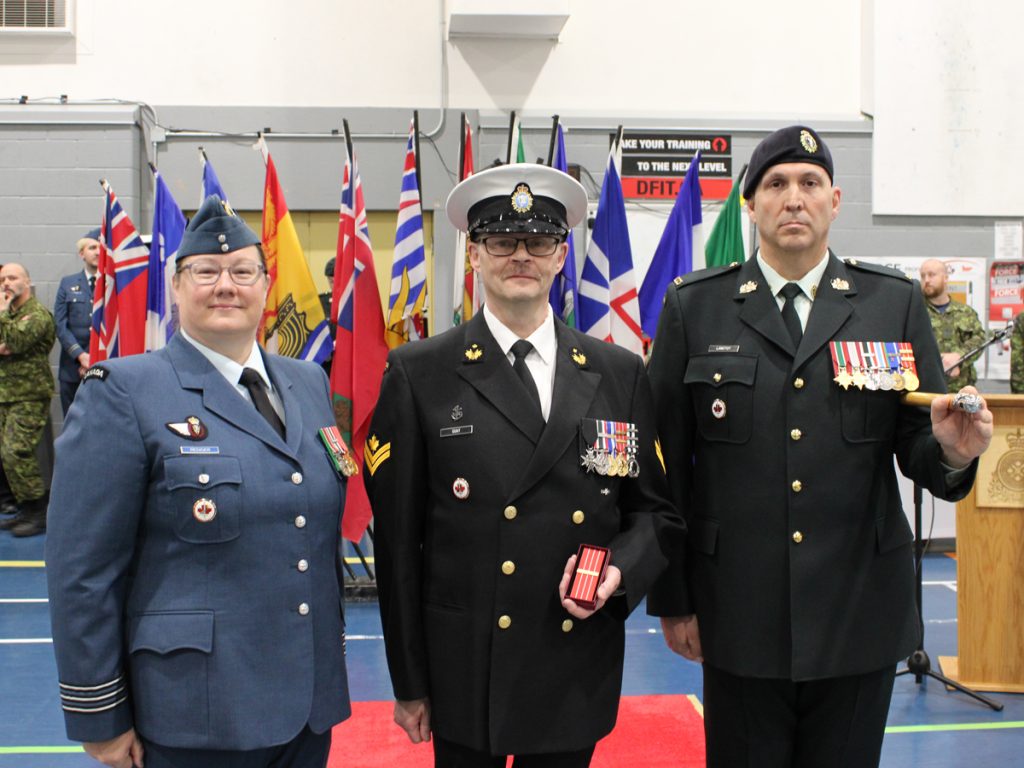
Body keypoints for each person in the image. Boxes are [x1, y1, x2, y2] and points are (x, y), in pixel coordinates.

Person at [646, 125, 993, 768]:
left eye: (810, 183)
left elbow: (920, 447)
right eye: (775, 184)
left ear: (835, 200)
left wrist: (953, 452)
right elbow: (665, 467)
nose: (794, 197)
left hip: (858, 607)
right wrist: (675, 598)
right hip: (737, 608)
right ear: (750, 205)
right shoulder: (697, 307)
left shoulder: (891, 304)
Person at [365, 163, 683, 767]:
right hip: (466, 665)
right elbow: (400, 547)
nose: (521, 256)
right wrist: (409, 681)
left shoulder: (618, 372)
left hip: (572, 656)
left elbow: (654, 514)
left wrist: (619, 570)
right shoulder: (420, 372)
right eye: (502, 242)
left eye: (538, 242)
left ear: (561, 257)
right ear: (475, 256)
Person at [46, 195, 351, 768]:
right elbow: (81, 570)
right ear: (177, 288)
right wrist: (99, 714)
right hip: (197, 712)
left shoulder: (307, 381)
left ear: (266, 285)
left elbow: (313, 531)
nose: (225, 286)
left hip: (309, 703)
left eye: (242, 271)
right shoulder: (124, 391)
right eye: (205, 272)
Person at [0, 263, 56, 537]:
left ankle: (40, 512)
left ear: (27, 281)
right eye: (3, 279)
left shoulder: (37, 314)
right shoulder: (12, 314)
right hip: (6, 395)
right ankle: (25, 507)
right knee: (6, 455)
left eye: (12, 278)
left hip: (30, 394)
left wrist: (1, 314)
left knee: (16, 452)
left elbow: (17, 342)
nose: (6, 283)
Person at [919, 258, 987, 392]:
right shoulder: (916, 312)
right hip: (927, 389)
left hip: (961, 389)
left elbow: (979, 339)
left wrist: (959, 356)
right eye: (923, 276)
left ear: (945, 278)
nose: (926, 280)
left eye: (932, 275)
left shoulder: (965, 312)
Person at [54, 228, 100, 415]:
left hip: (106, 365)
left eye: (102, 248)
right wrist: (81, 356)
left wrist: (95, 359)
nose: (98, 252)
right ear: (82, 254)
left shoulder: (115, 284)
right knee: (72, 420)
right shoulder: (68, 283)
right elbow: (60, 324)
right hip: (72, 368)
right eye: (92, 247)